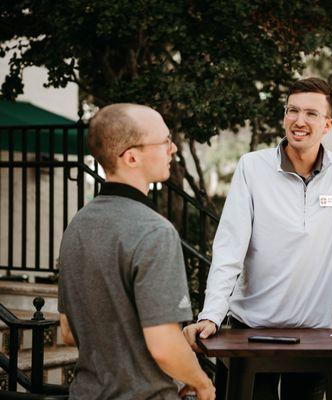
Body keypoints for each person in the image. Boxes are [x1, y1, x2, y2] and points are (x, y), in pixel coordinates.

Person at [183, 78, 332, 399]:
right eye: (292, 111)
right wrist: (211, 314)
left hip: (319, 333)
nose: (299, 121)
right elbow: (230, 249)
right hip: (253, 331)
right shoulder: (252, 167)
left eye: (311, 113)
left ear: (327, 124)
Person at [58, 104, 215, 400]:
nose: (173, 150)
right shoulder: (155, 232)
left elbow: (67, 330)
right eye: (164, 141)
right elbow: (163, 346)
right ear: (131, 157)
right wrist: (202, 383)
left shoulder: (76, 227)